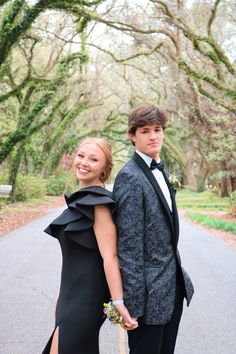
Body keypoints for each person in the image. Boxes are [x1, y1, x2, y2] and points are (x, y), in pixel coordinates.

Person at [42, 137, 138, 354]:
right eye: (81, 156)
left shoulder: (99, 205)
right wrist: (62, 296)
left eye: (94, 159)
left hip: (87, 299)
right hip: (70, 295)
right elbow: (74, 259)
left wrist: (118, 302)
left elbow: (110, 257)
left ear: (104, 169)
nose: (84, 162)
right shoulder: (81, 199)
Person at [113, 104, 194, 354]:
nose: (153, 136)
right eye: (145, 130)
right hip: (147, 298)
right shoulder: (130, 177)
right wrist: (134, 306)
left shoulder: (161, 170)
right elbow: (128, 246)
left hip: (172, 288)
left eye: (157, 130)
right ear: (132, 135)